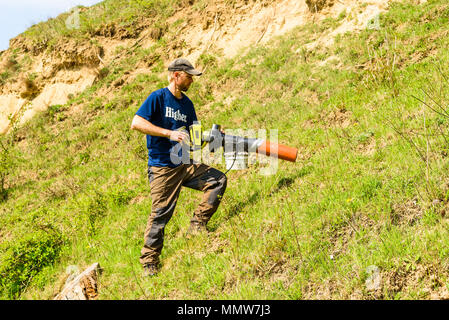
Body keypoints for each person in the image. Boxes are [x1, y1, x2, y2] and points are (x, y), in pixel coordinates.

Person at [130, 58, 227, 277]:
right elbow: (137, 123)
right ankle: (149, 262)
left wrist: (212, 137)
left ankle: (197, 225)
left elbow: (193, 139)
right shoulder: (158, 98)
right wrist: (168, 133)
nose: (192, 79)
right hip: (163, 167)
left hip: (184, 163)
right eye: (188, 76)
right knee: (161, 214)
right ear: (176, 75)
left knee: (217, 181)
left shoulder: (187, 105)